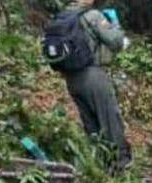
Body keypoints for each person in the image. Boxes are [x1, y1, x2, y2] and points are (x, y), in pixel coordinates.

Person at [45, 0, 131, 169]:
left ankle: (98, 164)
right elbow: (116, 41)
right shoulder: (92, 16)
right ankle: (120, 165)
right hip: (92, 76)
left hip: (71, 79)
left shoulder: (62, 16)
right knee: (109, 120)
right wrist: (115, 24)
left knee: (90, 123)